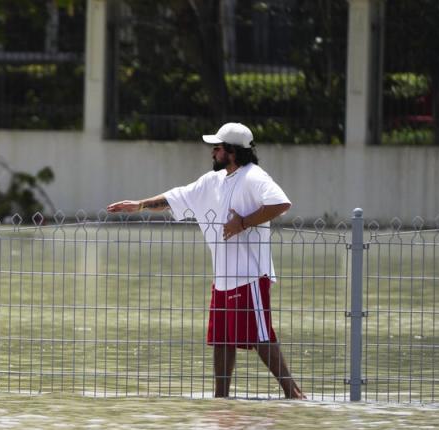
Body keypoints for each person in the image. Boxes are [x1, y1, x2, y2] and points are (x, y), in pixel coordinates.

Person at [107, 122, 305, 399]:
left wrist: (243, 223)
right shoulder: (213, 181)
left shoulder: (254, 176)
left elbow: (281, 204)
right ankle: (221, 399)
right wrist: (139, 204)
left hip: (250, 275)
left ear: (233, 152)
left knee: (260, 337)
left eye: (218, 147)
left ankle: (293, 394)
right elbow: (176, 197)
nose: (212, 152)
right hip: (223, 278)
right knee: (222, 340)